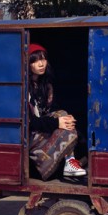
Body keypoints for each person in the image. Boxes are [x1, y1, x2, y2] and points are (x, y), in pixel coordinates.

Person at [27, 43, 86, 180]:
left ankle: (70, 163)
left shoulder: (45, 85)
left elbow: (52, 110)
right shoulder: (25, 87)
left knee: (64, 116)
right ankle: (67, 163)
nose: (41, 64)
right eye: (35, 60)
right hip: (30, 134)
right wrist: (57, 122)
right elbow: (30, 122)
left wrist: (64, 119)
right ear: (27, 64)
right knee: (63, 120)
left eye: (43, 59)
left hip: (42, 128)